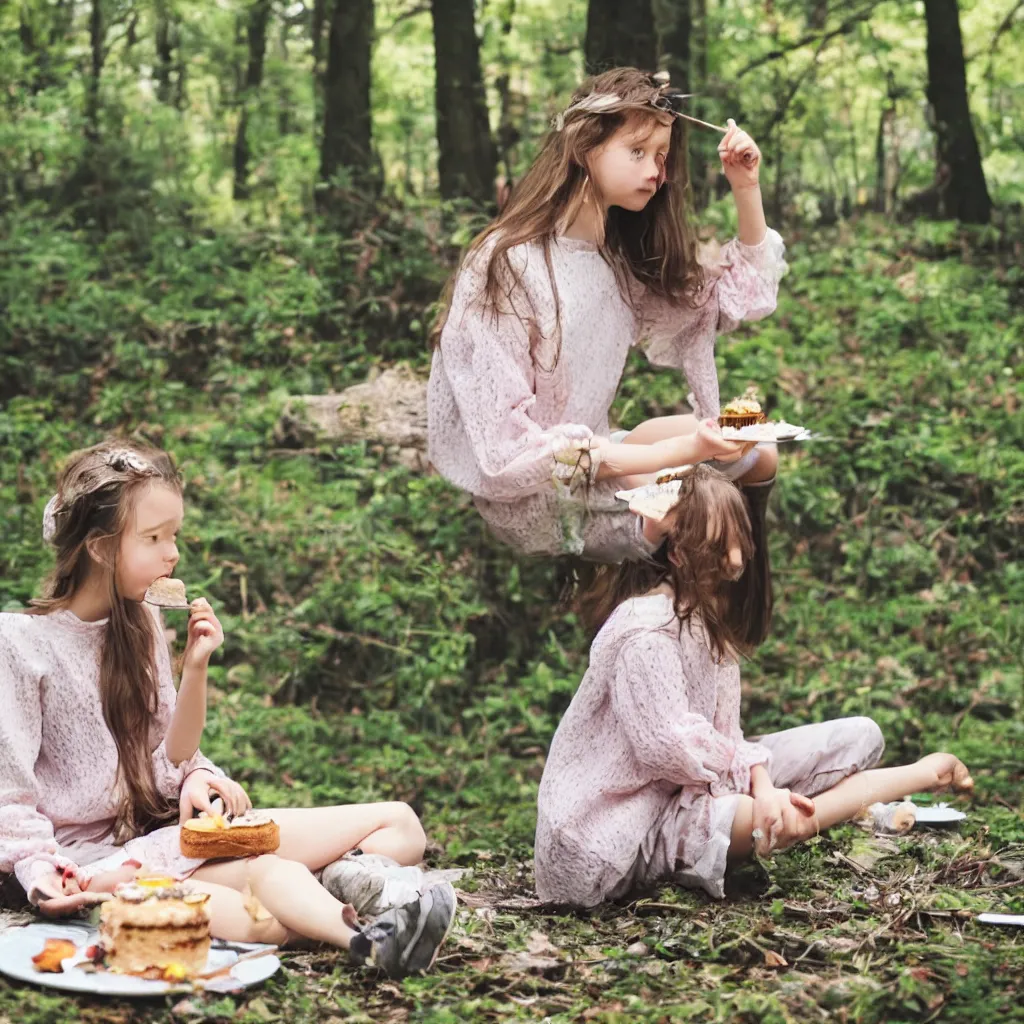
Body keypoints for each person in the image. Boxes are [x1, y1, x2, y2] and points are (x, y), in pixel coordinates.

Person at [0, 439, 455, 977]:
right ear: (99, 547)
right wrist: (41, 875)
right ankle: (368, 935)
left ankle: (370, 935)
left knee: (398, 826)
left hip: (163, 840)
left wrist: (195, 745)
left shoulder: (142, 623)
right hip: (88, 869)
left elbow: (169, 752)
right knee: (267, 918)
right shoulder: (21, 642)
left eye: (175, 535)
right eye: (153, 538)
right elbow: (10, 794)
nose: (172, 554)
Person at [533, 465, 973, 907]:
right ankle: (907, 778)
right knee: (753, 818)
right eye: (719, 545)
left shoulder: (705, 622)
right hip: (608, 838)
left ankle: (795, 807)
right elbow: (668, 749)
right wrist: (759, 793)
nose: (736, 561)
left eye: (737, 541)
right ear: (679, 552)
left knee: (861, 736)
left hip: (694, 784)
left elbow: (728, 736)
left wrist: (762, 784)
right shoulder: (644, 630)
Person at [429, 67, 787, 564]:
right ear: (583, 146)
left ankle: (740, 601)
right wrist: (680, 454)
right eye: (637, 151)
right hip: (542, 491)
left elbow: (727, 301)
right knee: (704, 507)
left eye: (660, 157)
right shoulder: (506, 262)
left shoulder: (615, 262)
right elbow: (507, 459)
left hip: (597, 457)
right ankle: (696, 601)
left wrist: (746, 187)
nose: (655, 172)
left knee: (758, 450)